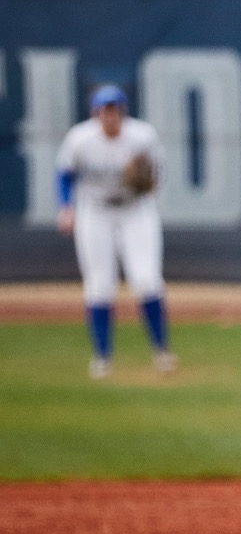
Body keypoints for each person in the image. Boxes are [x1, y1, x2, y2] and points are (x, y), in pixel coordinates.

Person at [56, 85, 175, 378]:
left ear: (123, 111)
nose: (110, 115)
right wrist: (65, 206)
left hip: (135, 210)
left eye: (114, 109)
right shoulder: (80, 138)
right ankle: (102, 356)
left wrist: (148, 180)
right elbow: (65, 174)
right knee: (99, 285)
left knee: (146, 279)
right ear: (95, 113)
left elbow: (157, 173)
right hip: (95, 211)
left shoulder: (142, 136)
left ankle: (162, 351)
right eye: (104, 110)